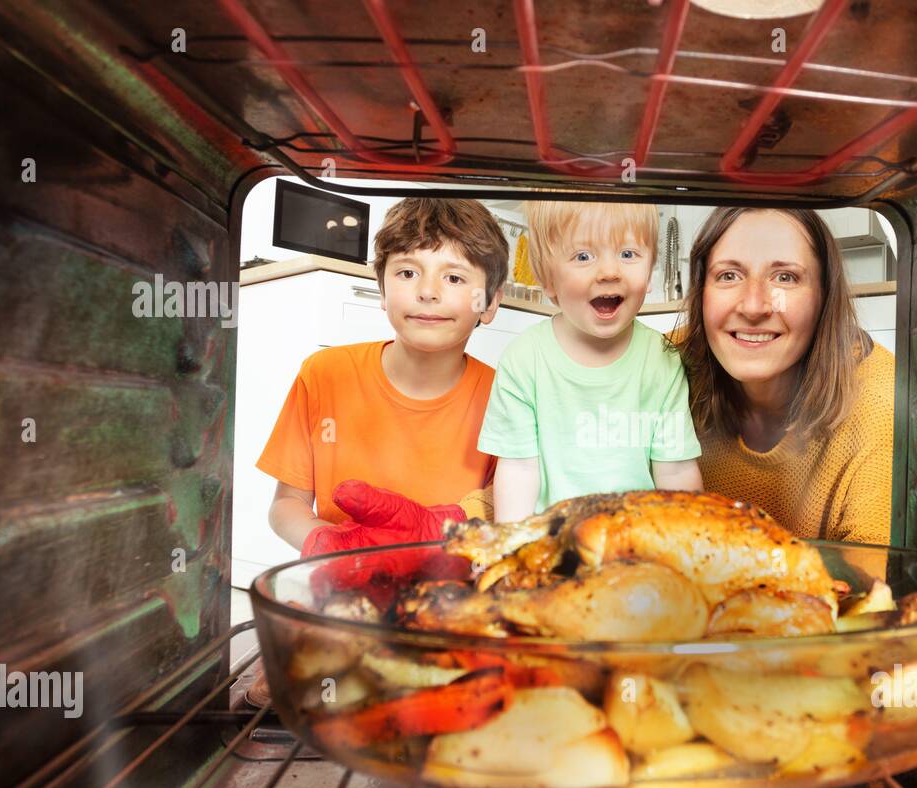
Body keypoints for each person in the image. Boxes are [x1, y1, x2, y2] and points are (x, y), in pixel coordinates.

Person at [257, 196, 508, 557]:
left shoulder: (505, 397)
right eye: (407, 273)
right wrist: (332, 546)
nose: (427, 292)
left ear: (490, 302)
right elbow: (285, 506)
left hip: (449, 595)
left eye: (454, 277)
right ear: (382, 290)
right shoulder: (324, 373)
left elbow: (505, 511)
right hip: (341, 582)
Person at [672, 207, 894, 544]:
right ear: (701, 293)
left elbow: (873, 586)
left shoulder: (880, 399)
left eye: (785, 277)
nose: (754, 306)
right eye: (729, 275)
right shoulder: (661, 364)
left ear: (824, 297)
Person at [478, 201, 702, 521]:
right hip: (554, 545)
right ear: (548, 280)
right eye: (583, 256)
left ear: (650, 268)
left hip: (637, 545)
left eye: (628, 254)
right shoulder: (523, 360)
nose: (610, 272)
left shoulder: (663, 360)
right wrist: (512, 551)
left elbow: (676, 471)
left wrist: (688, 548)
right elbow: (519, 469)